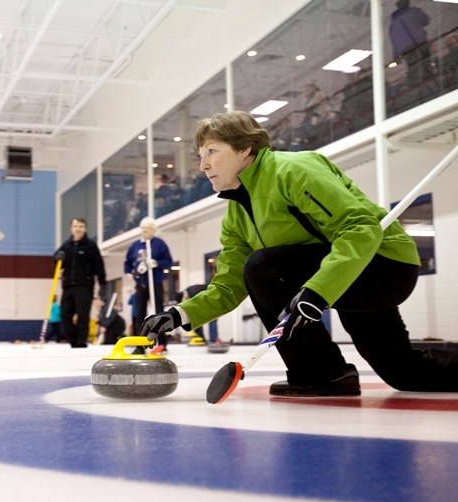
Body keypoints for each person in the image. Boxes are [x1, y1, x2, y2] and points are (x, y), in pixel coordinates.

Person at [141, 110, 458, 397]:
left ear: (245, 148)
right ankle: (333, 378)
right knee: (406, 374)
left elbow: (361, 228)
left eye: (212, 151)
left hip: (381, 265)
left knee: (262, 266)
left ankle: (320, 373)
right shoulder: (236, 216)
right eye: (200, 155)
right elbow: (229, 284)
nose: (203, 164)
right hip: (338, 274)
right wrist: (178, 315)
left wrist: (318, 292)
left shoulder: (292, 170)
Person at [55, 217, 106, 348]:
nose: (78, 229)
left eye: (81, 226)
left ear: (85, 228)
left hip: (84, 286)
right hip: (68, 286)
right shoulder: (66, 246)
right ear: (72, 228)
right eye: (76, 226)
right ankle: (73, 339)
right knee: (64, 315)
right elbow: (57, 265)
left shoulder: (90, 246)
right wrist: (57, 258)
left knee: (83, 316)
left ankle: (81, 341)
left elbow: (99, 266)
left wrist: (102, 284)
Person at [124, 217, 174, 348]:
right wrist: (130, 273)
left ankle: (162, 343)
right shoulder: (135, 246)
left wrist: (156, 263)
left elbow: (169, 262)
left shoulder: (159, 244)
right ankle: (140, 344)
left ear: (153, 230)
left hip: (155, 283)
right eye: (142, 227)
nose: (144, 230)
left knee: (158, 312)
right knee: (139, 313)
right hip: (141, 284)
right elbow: (127, 263)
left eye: (147, 228)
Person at [389, 0, 433, 87]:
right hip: (420, 42)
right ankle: (430, 81)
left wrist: (396, 57)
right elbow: (427, 21)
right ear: (407, 4)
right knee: (426, 62)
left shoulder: (392, 24)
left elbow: (394, 41)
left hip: (405, 49)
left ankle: (412, 87)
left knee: (413, 67)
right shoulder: (415, 11)